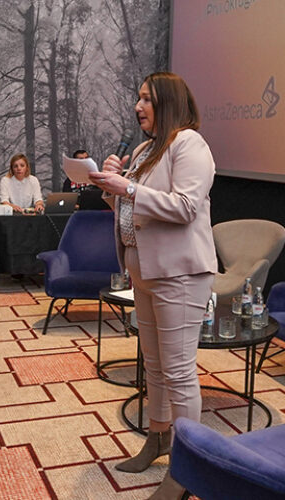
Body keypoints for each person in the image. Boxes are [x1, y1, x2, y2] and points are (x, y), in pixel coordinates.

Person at [89, 71, 216, 500]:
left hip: (180, 274)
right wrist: (109, 185)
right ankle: (158, 438)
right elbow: (132, 208)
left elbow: (184, 207)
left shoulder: (190, 144)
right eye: (138, 98)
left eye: (146, 98)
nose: (138, 106)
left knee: (178, 372)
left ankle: (188, 467)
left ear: (168, 102)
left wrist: (126, 186)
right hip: (143, 270)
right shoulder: (146, 149)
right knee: (155, 366)